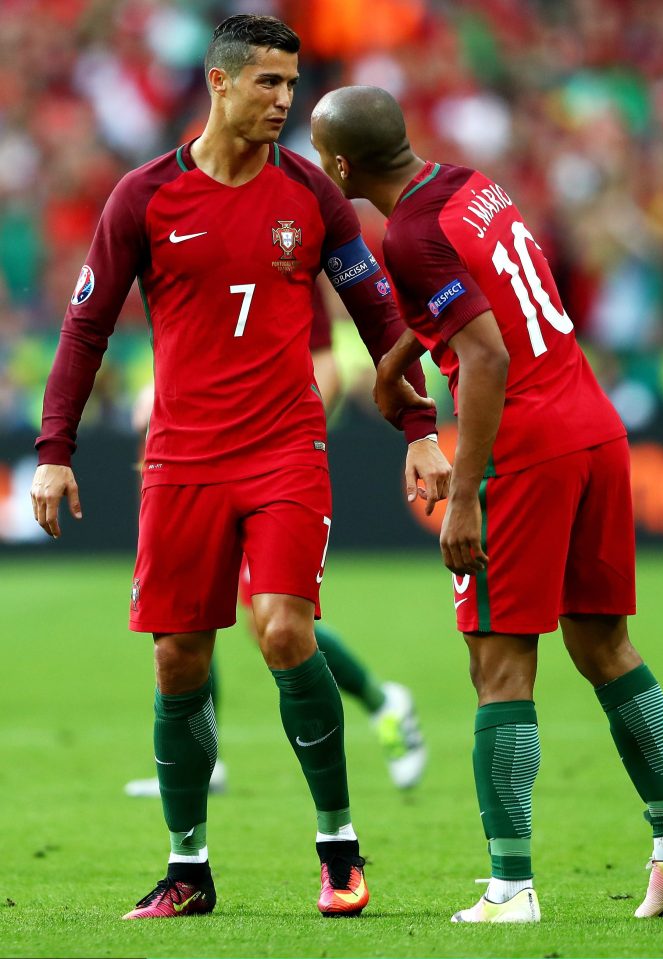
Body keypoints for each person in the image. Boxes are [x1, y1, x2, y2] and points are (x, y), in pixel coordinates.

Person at [30, 19, 451, 922]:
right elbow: (85, 327)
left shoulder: (311, 192)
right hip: (180, 458)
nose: (284, 100)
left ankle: (338, 848)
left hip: (284, 449)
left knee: (284, 631)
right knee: (179, 658)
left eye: (291, 83)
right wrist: (55, 451)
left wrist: (418, 427)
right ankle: (188, 868)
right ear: (218, 84)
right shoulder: (143, 196)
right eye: (266, 82)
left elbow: (377, 312)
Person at [309, 85, 663, 924]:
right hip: (592, 424)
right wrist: (394, 365)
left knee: (498, 664)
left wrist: (464, 496)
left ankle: (509, 886)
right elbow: (476, 306)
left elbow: (486, 356)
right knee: (602, 640)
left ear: (341, 166)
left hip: (526, 447)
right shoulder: (465, 185)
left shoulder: (411, 235)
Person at [124, 282, 427, 800]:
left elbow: (325, 365)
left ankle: (383, 700)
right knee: (190, 610)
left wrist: (278, 434)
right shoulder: (195, 249)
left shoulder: (284, 251)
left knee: (275, 622)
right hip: (199, 457)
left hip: (270, 467)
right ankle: (207, 760)